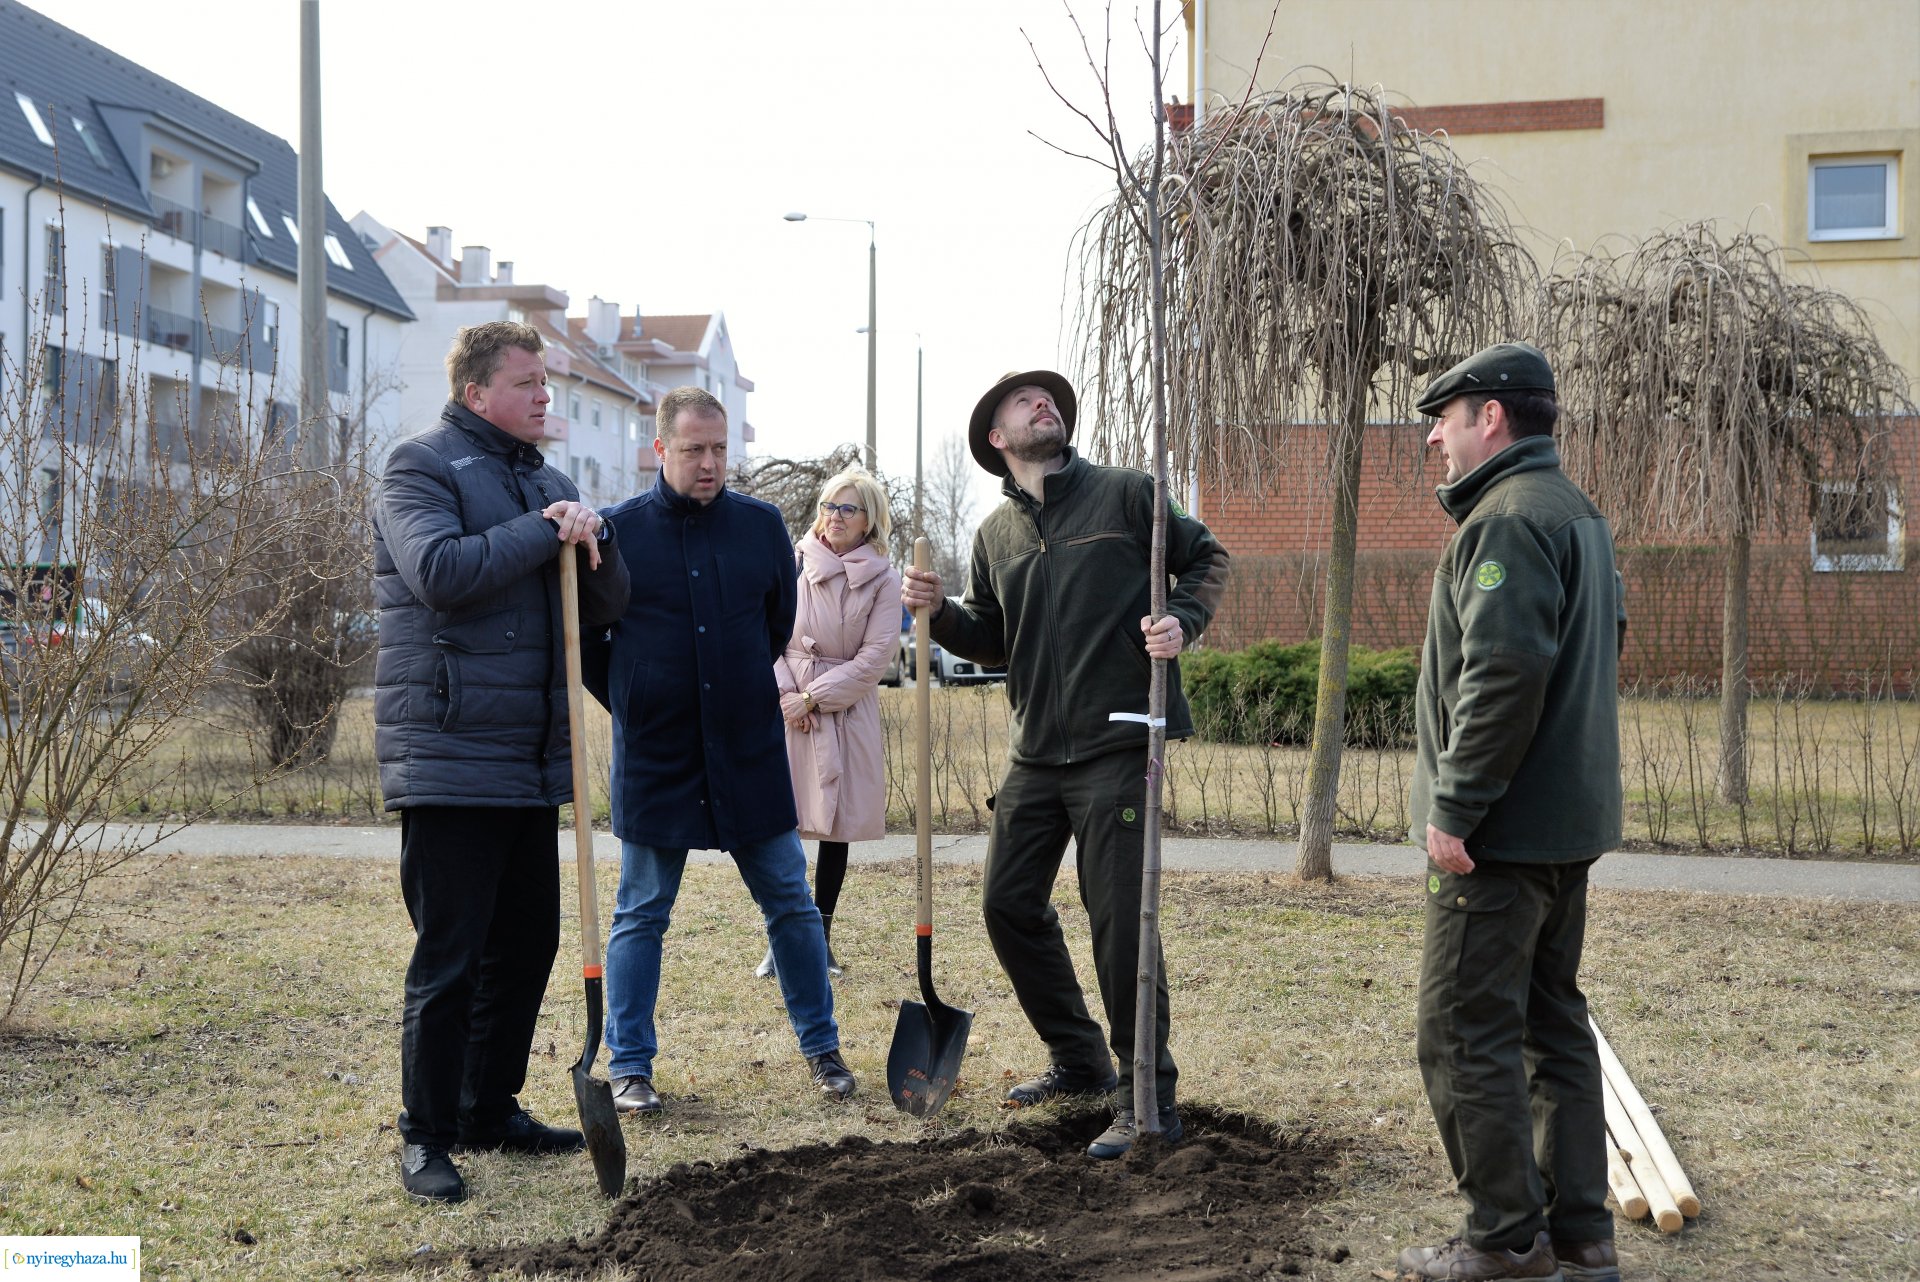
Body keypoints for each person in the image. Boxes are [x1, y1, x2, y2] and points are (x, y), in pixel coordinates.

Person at [899, 368, 1229, 1160]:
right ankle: (1078, 1058)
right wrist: (940, 613)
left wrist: (1181, 621)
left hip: (1120, 738)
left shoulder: (1127, 494)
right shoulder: (995, 535)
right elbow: (993, 634)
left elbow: (1207, 558)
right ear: (997, 438)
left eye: (1049, 398)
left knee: (1120, 924)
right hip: (1036, 750)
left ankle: (1145, 1094)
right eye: (1022, 401)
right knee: (1007, 904)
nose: (1042, 403)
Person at [373, 320, 632, 1204]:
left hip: (530, 759)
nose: (544, 396)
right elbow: (440, 572)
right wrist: (544, 527)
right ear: (478, 392)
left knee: (526, 947)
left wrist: (594, 540)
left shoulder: (549, 479)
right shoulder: (422, 466)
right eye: (528, 383)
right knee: (451, 958)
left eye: (546, 384)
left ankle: (490, 1108)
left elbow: (603, 605)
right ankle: (425, 1134)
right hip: (447, 753)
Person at [1397, 343, 1625, 1282]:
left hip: (1500, 836)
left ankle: (1504, 1241)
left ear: (1490, 417)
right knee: (1550, 1023)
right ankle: (1580, 1234)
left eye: (1442, 422)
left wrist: (1455, 806)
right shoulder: (1575, 513)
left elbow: (1502, 676)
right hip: (1562, 826)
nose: (1434, 441)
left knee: (1461, 1030)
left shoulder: (1507, 520)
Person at [583, 386, 855, 1118]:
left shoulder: (762, 526)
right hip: (657, 754)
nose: (709, 464)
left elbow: (777, 624)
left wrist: (727, 693)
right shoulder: (616, 534)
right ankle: (631, 1066)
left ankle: (822, 1047)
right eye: (693, 450)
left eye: (719, 450)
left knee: (792, 905)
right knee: (641, 910)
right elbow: (589, 646)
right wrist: (641, 702)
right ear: (659, 449)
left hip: (746, 748)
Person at [756, 468, 903, 980]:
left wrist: (813, 698)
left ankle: (821, 936)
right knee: (781, 823)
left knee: (834, 826)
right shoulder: (791, 562)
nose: (833, 517)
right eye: (828, 506)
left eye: (847, 509)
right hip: (785, 705)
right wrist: (786, 695)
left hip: (842, 710)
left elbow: (875, 657)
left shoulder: (885, 579)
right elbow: (765, 631)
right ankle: (781, 937)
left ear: (869, 521)